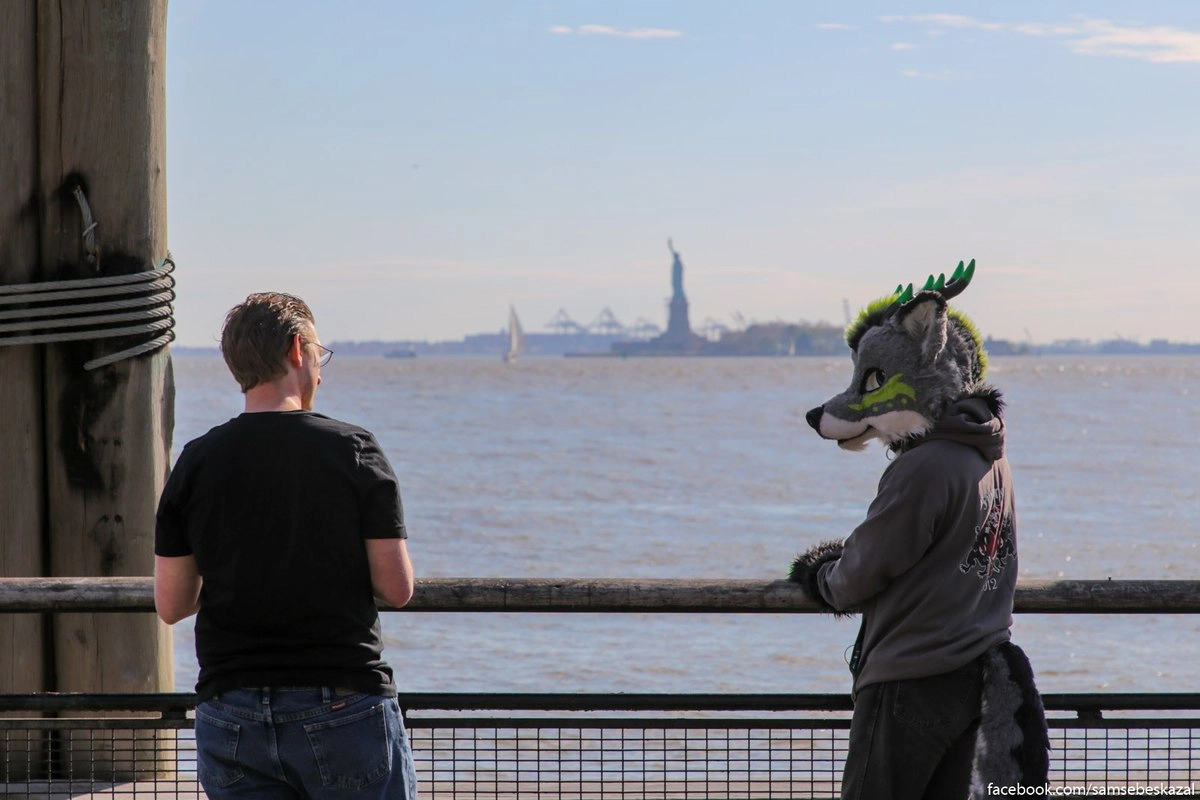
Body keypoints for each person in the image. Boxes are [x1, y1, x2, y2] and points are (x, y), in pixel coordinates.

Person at [154, 292, 418, 799]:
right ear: (298, 350)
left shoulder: (197, 460)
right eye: (320, 354)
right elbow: (396, 587)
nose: (321, 370)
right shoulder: (353, 450)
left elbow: (172, 604)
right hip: (342, 697)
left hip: (230, 706)